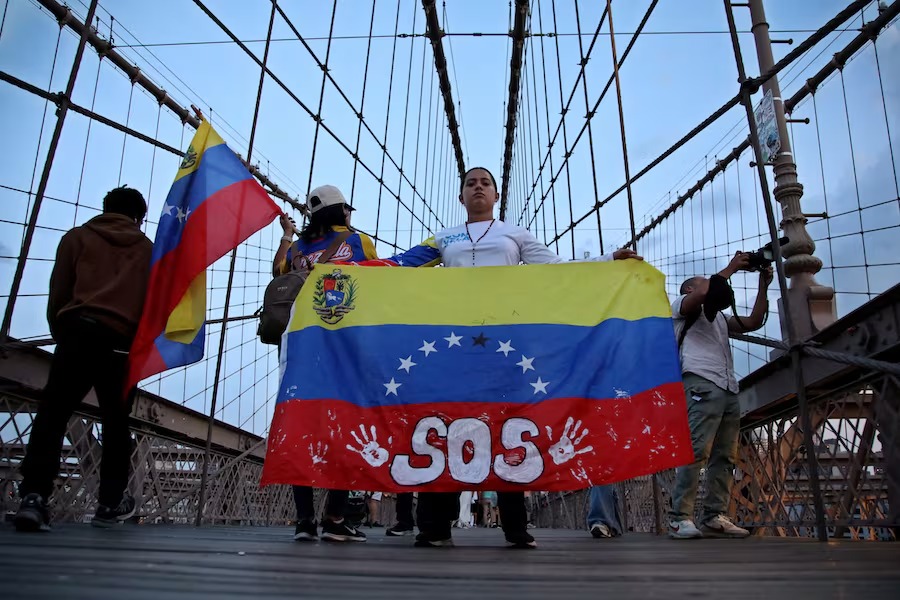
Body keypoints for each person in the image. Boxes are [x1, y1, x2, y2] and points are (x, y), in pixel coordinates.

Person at [372, 167, 641, 549]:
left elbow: (558, 269)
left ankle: (515, 525)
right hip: (455, 346)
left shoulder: (515, 234)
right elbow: (400, 266)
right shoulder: (444, 238)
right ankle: (435, 525)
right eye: (470, 183)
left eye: (485, 183)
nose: (478, 187)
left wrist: (609, 260)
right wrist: (344, 271)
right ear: (461, 197)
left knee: (507, 424)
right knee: (447, 423)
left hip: (505, 347)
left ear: (496, 196)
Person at [14, 186, 153, 532]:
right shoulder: (151, 251)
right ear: (138, 217)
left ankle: (33, 497)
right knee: (117, 424)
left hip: (77, 332)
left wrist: (62, 330)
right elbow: (154, 307)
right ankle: (109, 504)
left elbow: (59, 291)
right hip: (121, 342)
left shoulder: (76, 238)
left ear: (105, 208)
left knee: (52, 415)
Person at [277, 184, 374, 543]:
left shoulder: (299, 249)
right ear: (340, 211)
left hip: (301, 348)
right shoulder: (359, 243)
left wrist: (288, 237)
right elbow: (382, 281)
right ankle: (335, 517)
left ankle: (304, 520)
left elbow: (278, 271)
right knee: (345, 427)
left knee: (300, 428)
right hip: (345, 347)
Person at [667, 252, 773, 539]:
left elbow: (752, 322)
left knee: (726, 455)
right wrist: (732, 267)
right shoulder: (680, 308)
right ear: (689, 289)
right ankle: (679, 518)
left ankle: (714, 515)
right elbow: (706, 290)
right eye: (702, 282)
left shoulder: (720, 320)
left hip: (727, 385)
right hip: (700, 381)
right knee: (697, 449)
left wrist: (763, 285)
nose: (710, 284)